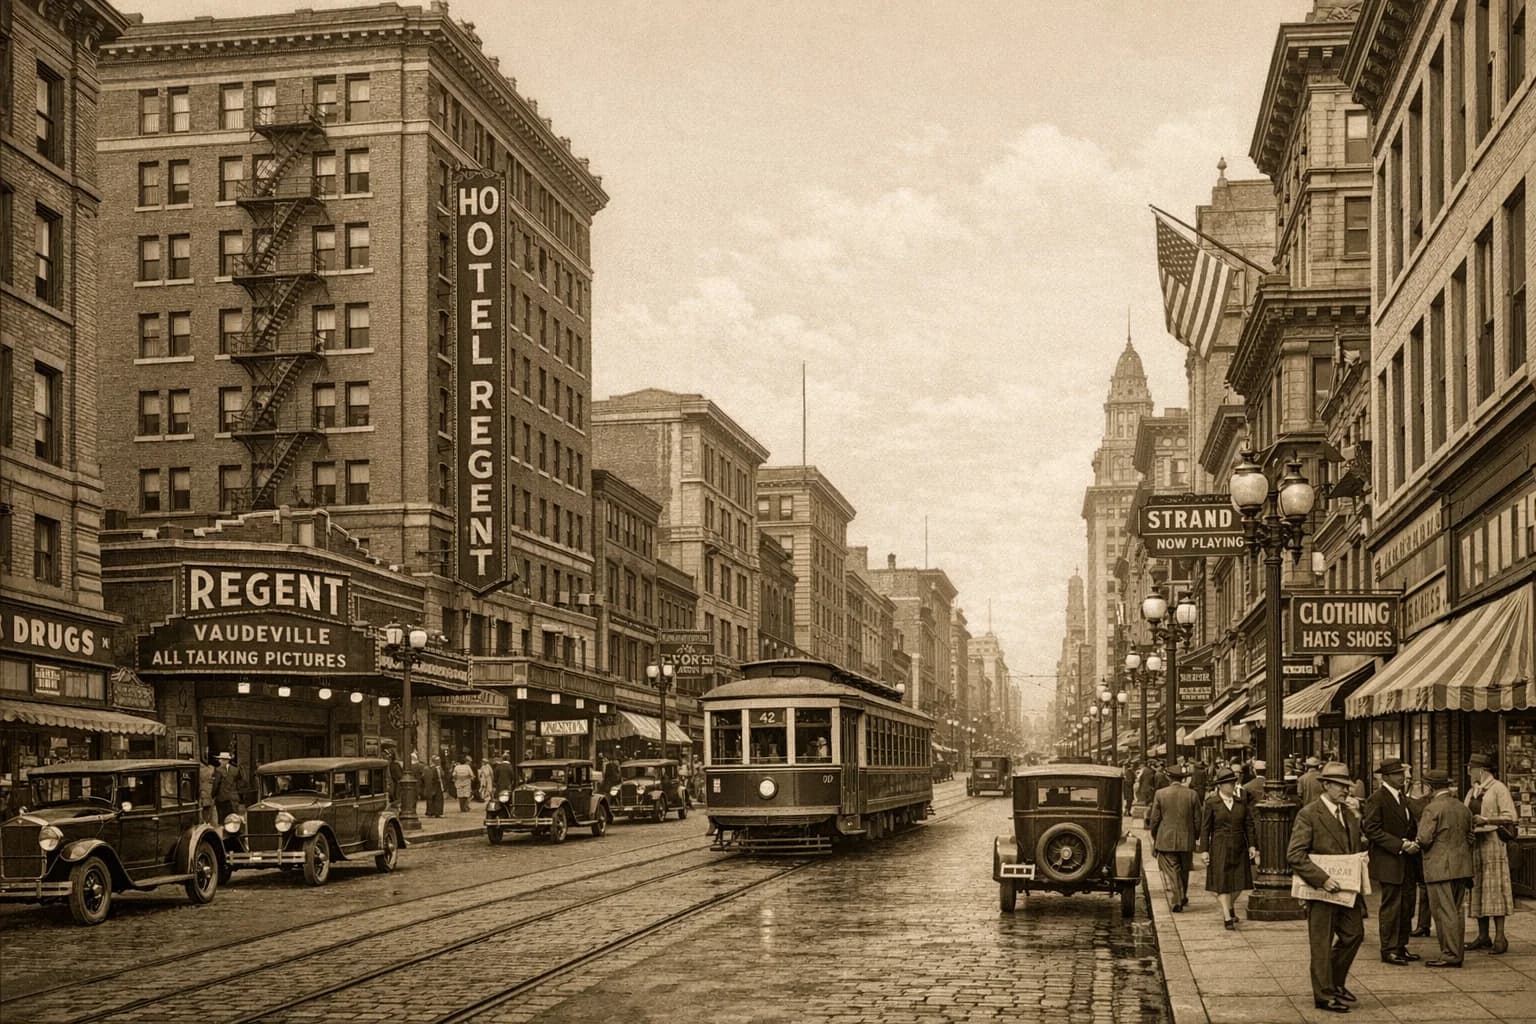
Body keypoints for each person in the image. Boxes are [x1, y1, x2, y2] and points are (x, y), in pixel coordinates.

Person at [1286, 761, 1366, 1014]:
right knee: (1321, 943)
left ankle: (1335, 982)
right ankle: (1324, 995)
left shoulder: (1349, 814)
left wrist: (1361, 855)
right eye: (1341, 786)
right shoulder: (1309, 814)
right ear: (1326, 785)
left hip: (1346, 890)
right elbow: (1295, 854)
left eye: (1347, 786)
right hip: (1321, 890)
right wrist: (1321, 879)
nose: (1346, 791)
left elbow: (1357, 846)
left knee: (1355, 934)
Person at [1361, 759, 1421, 966]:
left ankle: (1401, 945)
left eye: (1401, 773)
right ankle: (1389, 949)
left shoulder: (1402, 798)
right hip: (1389, 859)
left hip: (1406, 860)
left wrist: (1412, 842)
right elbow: (1371, 829)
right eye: (1396, 774)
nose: (1402, 777)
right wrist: (1400, 844)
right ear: (1385, 777)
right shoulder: (1376, 799)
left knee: (1406, 905)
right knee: (1392, 906)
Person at [1416, 769, 1474, 968]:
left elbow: (1424, 838)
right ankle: (1456, 952)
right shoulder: (1462, 807)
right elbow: (1470, 836)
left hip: (1439, 867)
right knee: (1456, 911)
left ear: (1430, 787)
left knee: (1443, 911)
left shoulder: (1433, 808)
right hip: (1462, 866)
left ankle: (1450, 954)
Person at [1465, 752, 1517, 954]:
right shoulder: (1472, 791)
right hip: (1477, 844)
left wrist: (1487, 820)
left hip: (1494, 844)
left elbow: (1511, 816)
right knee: (1478, 888)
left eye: (1471, 769)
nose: (1469, 773)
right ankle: (1483, 935)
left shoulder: (1498, 789)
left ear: (1481, 770)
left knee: (1495, 890)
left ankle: (1500, 938)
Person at [1200, 765, 1258, 929]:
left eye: (1233, 782)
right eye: (1227, 783)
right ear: (1220, 785)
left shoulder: (1241, 803)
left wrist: (1252, 845)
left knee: (1239, 883)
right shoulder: (1212, 803)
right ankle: (1227, 916)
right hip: (1219, 846)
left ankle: (1230, 906)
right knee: (1223, 882)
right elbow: (1205, 828)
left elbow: (1249, 825)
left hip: (1239, 846)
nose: (1231, 786)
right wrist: (1204, 850)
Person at [1149, 765, 1202, 913]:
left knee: (1173, 869)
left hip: (1166, 838)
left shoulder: (1160, 794)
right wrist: (1195, 836)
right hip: (1187, 838)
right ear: (1182, 778)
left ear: (1168, 777)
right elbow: (1198, 819)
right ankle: (1182, 896)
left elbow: (1155, 819)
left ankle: (1177, 898)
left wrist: (1155, 835)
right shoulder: (1192, 794)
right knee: (1184, 869)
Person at [1404, 764, 1434, 938]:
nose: (1406, 778)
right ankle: (1421, 924)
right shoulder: (1423, 799)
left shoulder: (1414, 800)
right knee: (1419, 887)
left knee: (1420, 887)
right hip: (1415, 845)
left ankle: (1421, 924)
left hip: (1417, 845)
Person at [213, 751, 241, 820]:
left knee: (223, 820)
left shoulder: (218, 770)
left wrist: (213, 795)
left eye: (221, 759)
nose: (219, 761)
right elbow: (239, 783)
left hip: (222, 799)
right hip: (234, 798)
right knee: (234, 820)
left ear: (225, 760)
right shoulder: (236, 770)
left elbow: (216, 784)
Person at [198, 755, 216, 826]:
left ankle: (205, 823)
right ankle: (207, 823)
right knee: (208, 810)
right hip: (208, 792)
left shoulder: (201, 769)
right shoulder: (211, 769)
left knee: (204, 810)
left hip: (203, 792)